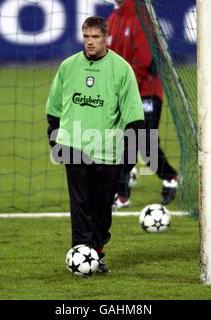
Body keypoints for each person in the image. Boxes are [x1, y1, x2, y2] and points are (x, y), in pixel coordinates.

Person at [46, 16, 144, 273]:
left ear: (105, 38)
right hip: (73, 146)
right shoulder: (68, 66)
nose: (90, 42)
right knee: (80, 205)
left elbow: (134, 116)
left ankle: (97, 251)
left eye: (95, 37)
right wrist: (54, 138)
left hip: (108, 150)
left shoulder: (121, 69)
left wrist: (129, 156)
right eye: (86, 37)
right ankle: (81, 253)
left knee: (102, 207)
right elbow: (54, 107)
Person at [107, 0, 180, 208]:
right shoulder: (112, 19)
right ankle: (122, 195)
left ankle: (170, 177)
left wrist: (125, 91)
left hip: (146, 91)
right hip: (123, 94)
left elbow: (145, 60)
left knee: (144, 142)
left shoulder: (141, 15)